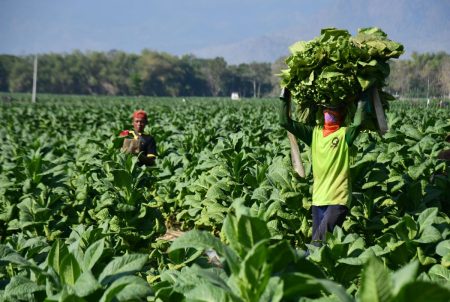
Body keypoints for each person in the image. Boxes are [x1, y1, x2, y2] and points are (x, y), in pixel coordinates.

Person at [279, 89, 368, 246]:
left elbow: (359, 123)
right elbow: (285, 122)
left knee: (317, 243)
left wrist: (362, 98)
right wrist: (284, 97)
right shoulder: (314, 135)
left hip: (338, 199)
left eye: (334, 110)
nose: (330, 112)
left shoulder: (344, 135)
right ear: (322, 112)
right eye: (327, 109)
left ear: (341, 114)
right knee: (321, 246)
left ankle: (297, 266)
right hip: (319, 199)